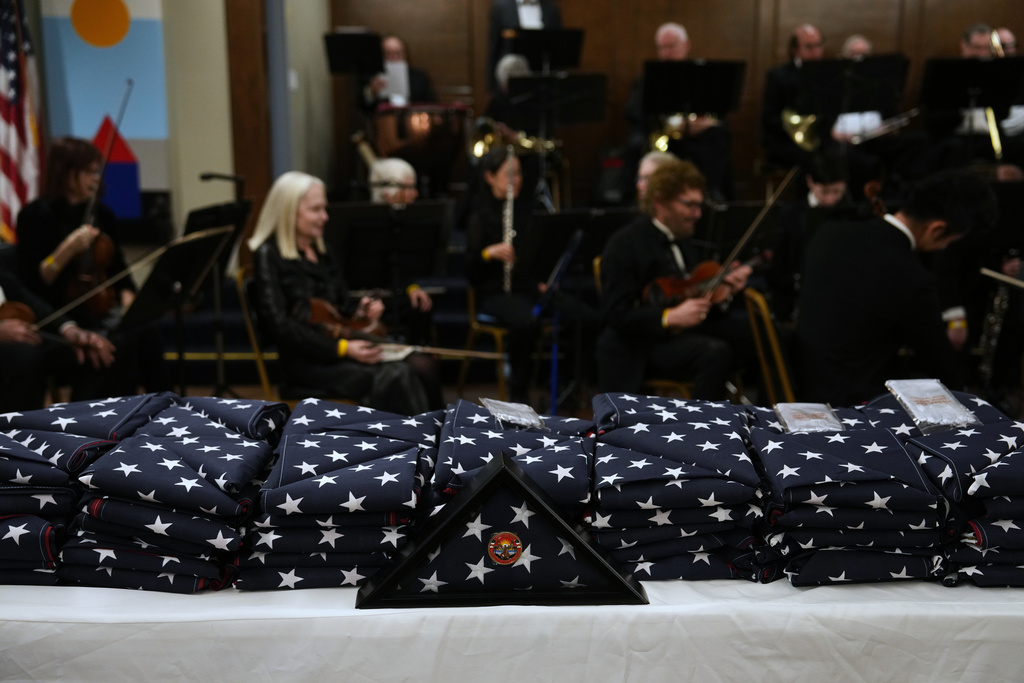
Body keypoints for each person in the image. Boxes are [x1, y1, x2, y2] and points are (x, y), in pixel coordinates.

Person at [795, 170, 997, 406]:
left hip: (804, 380)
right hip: (852, 404)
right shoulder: (912, 277)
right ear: (936, 229)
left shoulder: (830, 231)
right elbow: (940, 365)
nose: (943, 249)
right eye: (948, 242)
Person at [249, 171, 442, 414]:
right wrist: (341, 348)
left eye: (324, 208)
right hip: (307, 364)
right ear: (290, 210)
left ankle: (440, 437)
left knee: (421, 362)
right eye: (316, 209)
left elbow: (340, 307)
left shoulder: (322, 250)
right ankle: (418, 442)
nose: (325, 217)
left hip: (341, 348)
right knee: (398, 373)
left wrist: (362, 312)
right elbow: (281, 326)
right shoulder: (269, 255)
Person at [15, 137, 169, 399]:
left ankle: (167, 406)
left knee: (146, 330)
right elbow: (37, 281)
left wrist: (129, 301)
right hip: (60, 315)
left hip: (100, 309)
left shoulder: (101, 214)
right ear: (65, 173)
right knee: (120, 345)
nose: (95, 178)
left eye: (97, 171)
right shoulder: (36, 215)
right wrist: (66, 250)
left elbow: (119, 271)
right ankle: (99, 420)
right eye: (88, 172)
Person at [596, 158, 753, 400]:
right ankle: (702, 427)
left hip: (676, 335)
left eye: (699, 206)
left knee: (749, 331)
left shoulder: (684, 239)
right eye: (689, 205)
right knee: (714, 353)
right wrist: (668, 317)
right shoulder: (624, 245)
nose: (698, 214)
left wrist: (725, 292)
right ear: (660, 201)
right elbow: (617, 314)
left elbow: (692, 293)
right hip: (639, 344)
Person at [464, 148, 542, 404]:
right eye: (508, 174)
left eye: (518, 173)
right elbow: (469, 270)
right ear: (489, 177)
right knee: (526, 320)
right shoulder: (478, 216)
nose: (515, 180)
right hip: (494, 293)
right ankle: (518, 392)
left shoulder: (525, 212)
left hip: (523, 289)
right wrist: (489, 253)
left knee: (576, 312)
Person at [623, 23, 733, 201]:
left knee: (718, 137)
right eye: (661, 48)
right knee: (636, 145)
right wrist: (667, 126)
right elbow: (634, 114)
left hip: (696, 138)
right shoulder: (648, 79)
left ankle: (712, 195)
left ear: (686, 45)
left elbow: (720, 114)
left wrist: (704, 124)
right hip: (662, 137)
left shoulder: (702, 78)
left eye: (671, 47)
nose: (666, 53)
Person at [0, 267, 114, 412]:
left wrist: (68, 329)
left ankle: (89, 424)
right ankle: (17, 429)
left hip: (16, 331)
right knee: (25, 357)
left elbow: (23, 296)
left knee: (95, 349)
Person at [765, 151, 857, 323]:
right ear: (810, 182)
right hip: (798, 300)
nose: (830, 199)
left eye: (837, 191)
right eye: (824, 191)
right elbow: (776, 272)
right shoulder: (790, 215)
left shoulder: (851, 215)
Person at [760, 24, 826, 169]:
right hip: (785, 142)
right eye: (809, 47)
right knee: (813, 161)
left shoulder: (828, 75)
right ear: (794, 50)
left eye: (818, 46)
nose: (816, 52)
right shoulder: (778, 75)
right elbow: (769, 118)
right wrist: (797, 126)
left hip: (821, 139)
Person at [486, 0, 562, 94]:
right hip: (511, 78)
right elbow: (494, 46)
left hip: (543, 77)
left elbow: (558, 45)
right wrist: (491, 86)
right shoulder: (501, 7)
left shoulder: (551, 8)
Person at [363, 34, 436, 110]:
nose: (394, 58)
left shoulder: (419, 77)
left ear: (405, 55)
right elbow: (363, 107)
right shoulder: (372, 76)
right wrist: (371, 91)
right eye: (388, 54)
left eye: (398, 53)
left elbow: (431, 105)